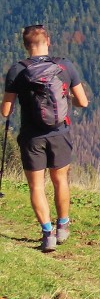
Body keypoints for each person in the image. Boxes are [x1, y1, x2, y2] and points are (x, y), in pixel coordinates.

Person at [2, 25, 89, 253]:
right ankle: (63, 226)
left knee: (37, 186)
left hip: (32, 137)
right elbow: (83, 102)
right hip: (60, 133)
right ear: (47, 41)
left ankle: (47, 233)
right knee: (60, 181)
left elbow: (5, 111)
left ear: (25, 45)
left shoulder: (17, 71)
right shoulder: (64, 66)